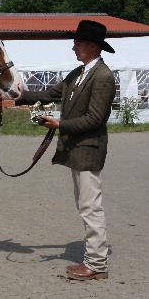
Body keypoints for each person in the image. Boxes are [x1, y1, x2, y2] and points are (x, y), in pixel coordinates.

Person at [15, 20, 116, 280]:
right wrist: (16, 94)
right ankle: (94, 260)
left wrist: (59, 124)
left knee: (90, 207)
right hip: (76, 149)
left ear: (93, 46)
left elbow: (95, 118)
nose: (74, 48)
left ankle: (96, 264)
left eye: (78, 43)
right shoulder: (77, 73)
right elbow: (50, 93)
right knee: (85, 205)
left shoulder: (103, 77)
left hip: (88, 150)